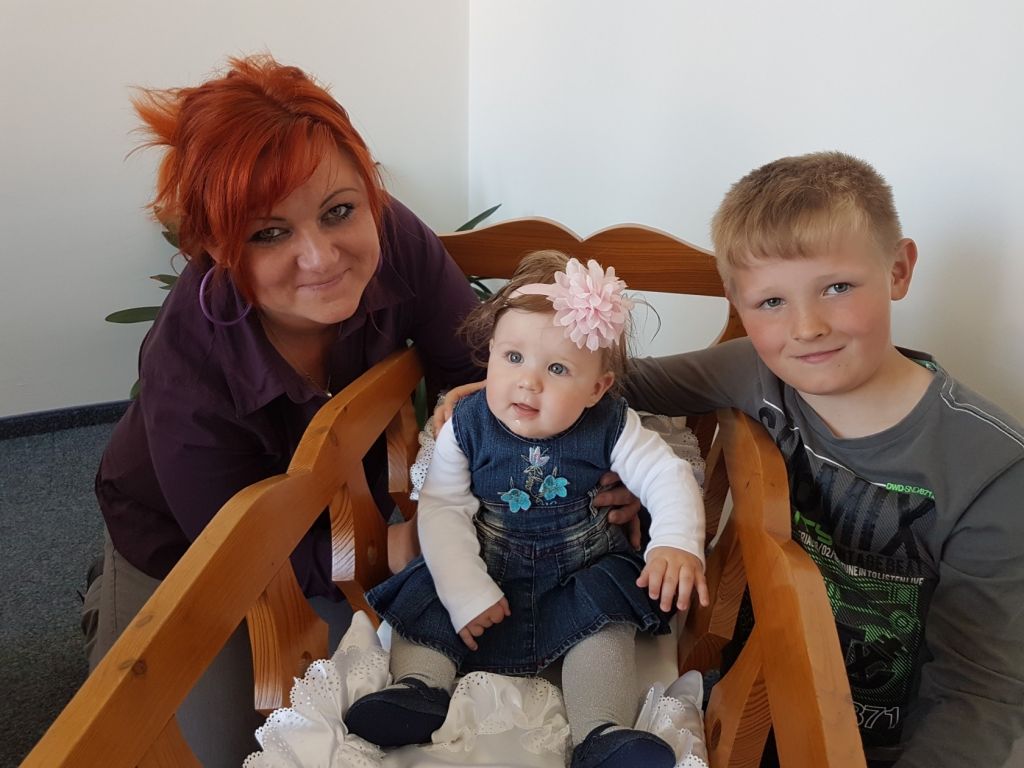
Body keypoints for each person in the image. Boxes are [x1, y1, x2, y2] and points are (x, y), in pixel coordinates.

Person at [80, 55, 639, 767]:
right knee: (188, 749)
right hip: (187, 541)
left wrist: (590, 463)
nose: (321, 257)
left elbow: (485, 375)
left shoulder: (397, 239)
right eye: (268, 233)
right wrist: (389, 550)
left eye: (339, 211)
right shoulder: (185, 370)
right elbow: (242, 555)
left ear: (369, 191)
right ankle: (107, 591)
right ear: (216, 247)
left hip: (349, 504)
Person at [617, 152, 1024, 767]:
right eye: (770, 302)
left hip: (884, 747)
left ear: (898, 270)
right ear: (737, 301)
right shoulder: (752, 371)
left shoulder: (991, 468)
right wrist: (626, 465)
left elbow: (979, 691)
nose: (806, 327)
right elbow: (609, 387)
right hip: (752, 701)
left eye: (837, 288)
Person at [344, 251, 709, 768]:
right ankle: (417, 688)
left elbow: (665, 474)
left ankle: (601, 731)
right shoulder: (466, 425)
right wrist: (465, 590)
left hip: (581, 572)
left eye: (557, 368)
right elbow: (443, 510)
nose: (528, 381)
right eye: (512, 357)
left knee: (607, 622)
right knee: (430, 588)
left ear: (596, 388)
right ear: (490, 355)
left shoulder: (612, 424)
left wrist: (675, 540)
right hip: (486, 561)